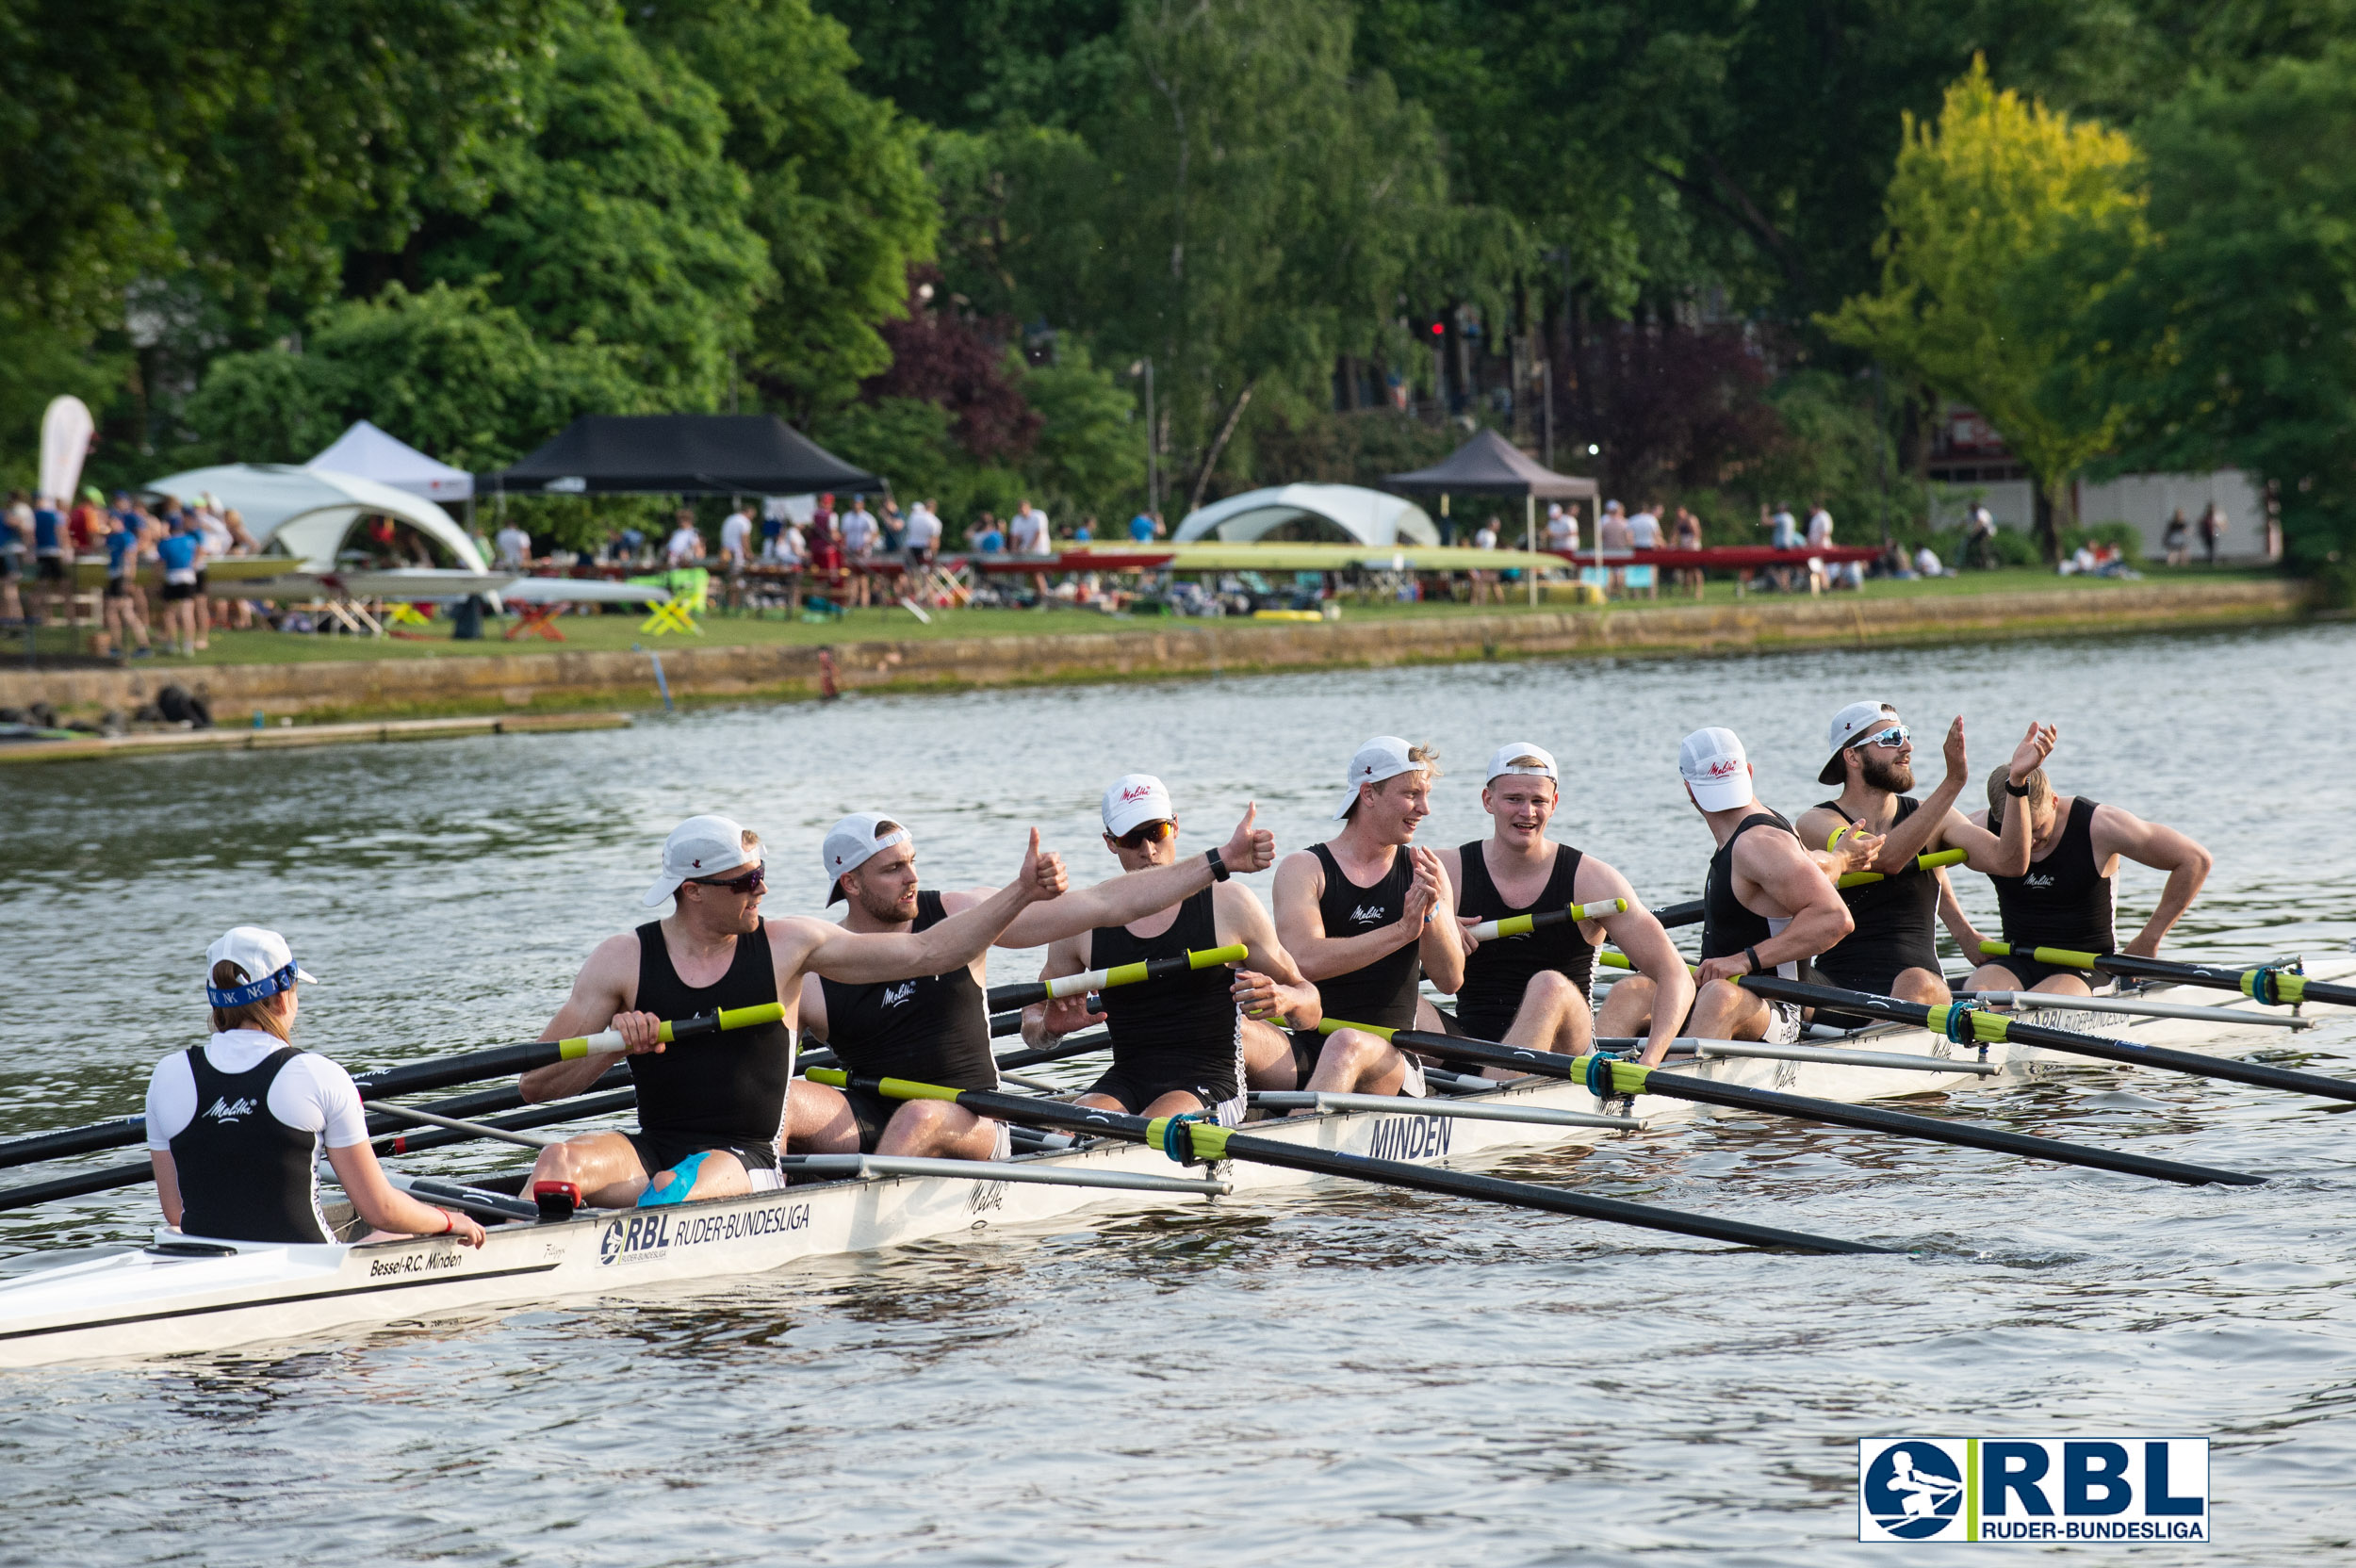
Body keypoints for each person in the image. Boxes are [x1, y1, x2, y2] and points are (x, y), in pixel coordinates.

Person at [515, 814, 1069, 1211]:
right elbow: (536, 1084)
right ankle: (505, 1257)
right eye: (746, 881)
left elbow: (930, 953)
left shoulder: (788, 945)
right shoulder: (621, 959)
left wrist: (1020, 891)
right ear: (693, 891)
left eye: (762, 873)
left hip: (743, 1154)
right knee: (558, 1161)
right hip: (654, 1144)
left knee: (672, 1190)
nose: (763, 890)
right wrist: (613, 1045)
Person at [794, 803, 1276, 1157]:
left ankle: (870, 1234)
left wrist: (1220, 860)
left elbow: (1108, 903)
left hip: (973, 1118)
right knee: (793, 1101)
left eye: (913, 861)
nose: (912, 877)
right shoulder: (816, 972)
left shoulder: (962, 915)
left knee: (920, 1114)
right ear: (851, 885)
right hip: (866, 1116)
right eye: (894, 869)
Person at [146, 926, 487, 1249]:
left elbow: (177, 1212)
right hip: (310, 1267)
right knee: (399, 1235)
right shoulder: (318, 1075)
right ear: (282, 999)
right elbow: (380, 1208)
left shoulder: (167, 1075)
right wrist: (448, 1220)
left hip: (210, 1266)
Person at [1028, 775, 1320, 1123]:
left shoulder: (1230, 904)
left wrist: (1286, 1000)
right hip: (1126, 1081)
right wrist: (1050, 1030)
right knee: (1065, 1130)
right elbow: (1031, 1025)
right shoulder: (1080, 922)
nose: (1148, 850)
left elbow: (1310, 1004)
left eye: (1156, 832)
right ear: (1110, 843)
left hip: (1212, 1083)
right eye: (1131, 838)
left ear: (1175, 827)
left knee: (1155, 1123)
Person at [1607, 728, 1875, 1054]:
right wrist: (1840, 859)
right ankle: (1588, 1085)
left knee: (1718, 995)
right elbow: (1812, 867)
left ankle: (1669, 1090)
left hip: (1777, 1009)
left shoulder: (1758, 843)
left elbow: (1834, 919)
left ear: (1689, 790)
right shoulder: (1761, 834)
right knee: (1630, 991)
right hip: (1723, 994)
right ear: (1747, 772)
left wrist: (1745, 960)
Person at [1437, 744, 1693, 1065]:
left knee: (1548, 985)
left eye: (1538, 801)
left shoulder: (1591, 881)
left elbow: (1675, 975)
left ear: (1554, 804)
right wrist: (1434, 928)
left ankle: (1489, 1092)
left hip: (1564, 1051)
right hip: (1472, 1043)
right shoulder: (1446, 871)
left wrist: (1650, 1062)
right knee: (1400, 1000)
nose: (1527, 812)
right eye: (1513, 799)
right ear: (1488, 800)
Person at [1793, 704, 2055, 1012]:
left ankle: (1869, 1043)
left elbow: (2010, 862)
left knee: (1915, 983)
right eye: (1890, 738)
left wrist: (2017, 784)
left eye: (1905, 735)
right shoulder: (1817, 821)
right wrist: (1952, 782)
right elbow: (1887, 858)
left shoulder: (1933, 818)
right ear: (1852, 756)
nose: (1907, 746)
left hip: (1918, 985)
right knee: (1779, 979)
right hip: (1837, 983)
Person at [1270, 737, 1467, 1094]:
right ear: (1368, 794)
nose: (1424, 808)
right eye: (1411, 794)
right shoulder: (1303, 869)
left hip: (1390, 1059)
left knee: (1347, 1043)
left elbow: (1451, 980)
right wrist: (1402, 931)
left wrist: (1433, 912)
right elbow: (1304, 960)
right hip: (1308, 1047)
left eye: (1426, 795)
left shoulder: (1424, 871)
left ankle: (1280, 1139)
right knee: (1237, 1031)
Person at [1943, 762, 2214, 997]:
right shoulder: (1980, 828)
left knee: (2037, 1004)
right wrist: (1963, 933)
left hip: (2090, 965)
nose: (2029, 842)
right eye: (2017, 833)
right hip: (2018, 958)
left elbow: (2194, 860)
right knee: (1977, 999)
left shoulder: (2100, 825)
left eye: (2036, 829)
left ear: (2053, 802)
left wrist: (2149, 939)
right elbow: (1921, 865)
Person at [94, 505, 153, 662]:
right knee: (118, 612)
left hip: (121, 576)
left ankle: (136, 645)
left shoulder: (126, 537)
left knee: (121, 611)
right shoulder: (111, 538)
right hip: (114, 576)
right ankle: (120, 644)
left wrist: (128, 579)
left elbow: (130, 559)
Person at [155, 514, 206, 658]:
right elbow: (201, 551)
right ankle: (188, 646)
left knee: (169, 613)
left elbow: (160, 563)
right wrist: (194, 565)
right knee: (187, 612)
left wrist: (157, 580)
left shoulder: (165, 543)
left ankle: (171, 644)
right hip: (188, 576)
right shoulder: (191, 540)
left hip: (171, 577)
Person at [841, 496, 879, 607]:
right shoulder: (846, 517)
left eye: (858, 503)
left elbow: (875, 534)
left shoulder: (868, 518)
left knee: (863, 579)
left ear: (862, 504)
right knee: (851, 579)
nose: (856, 505)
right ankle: (851, 604)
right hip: (850, 552)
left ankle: (864, 605)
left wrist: (865, 546)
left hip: (863, 553)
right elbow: (844, 535)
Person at [719, 502, 755, 610]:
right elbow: (745, 539)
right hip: (736, 554)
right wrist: (749, 553)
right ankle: (735, 604)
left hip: (725, 553)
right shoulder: (744, 522)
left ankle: (730, 604)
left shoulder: (730, 519)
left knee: (731, 579)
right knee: (737, 579)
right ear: (748, 512)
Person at [1672, 506, 1705, 597]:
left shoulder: (1691, 519)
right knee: (1687, 570)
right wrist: (1672, 543)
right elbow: (1675, 534)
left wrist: (1692, 544)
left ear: (1684, 511)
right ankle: (1686, 592)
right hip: (1684, 546)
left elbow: (1697, 533)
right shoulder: (1679, 522)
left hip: (1693, 546)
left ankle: (1698, 592)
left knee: (1696, 569)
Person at [903, 499, 942, 567]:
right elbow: (934, 541)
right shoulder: (934, 521)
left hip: (911, 547)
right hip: (925, 548)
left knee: (911, 571)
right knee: (925, 571)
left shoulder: (913, 517)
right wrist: (934, 557)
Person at [1469, 516, 1499, 605]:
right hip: (1481, 560)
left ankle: (1488, 602)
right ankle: (1476, 602)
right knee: (1478, 581)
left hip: (1488, 561)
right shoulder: (1482, 532)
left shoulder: (1493, 535)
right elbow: (1478, 545)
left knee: (1490, 582)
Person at [2197, 502, 2227, 566]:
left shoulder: (2218, 516)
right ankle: (2210, 560)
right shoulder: (2205, 516)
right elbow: (2201, 524)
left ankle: (2214, 560)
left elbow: (2223, 525)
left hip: (2215, 534)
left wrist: (2217, 524)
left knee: (2214, 547)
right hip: (2207, 534)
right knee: (2209, 548)